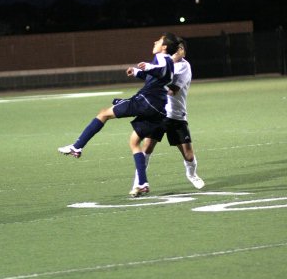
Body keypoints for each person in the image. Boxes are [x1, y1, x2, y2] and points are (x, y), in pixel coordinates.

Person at [58, 32, 178, 196]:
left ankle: (77, 147)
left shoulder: (162, 58)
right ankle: (142, 183)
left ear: (164, 47)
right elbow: (157, 76)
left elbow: (160, 71)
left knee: (103, 113)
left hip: (145, 102)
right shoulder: (169, 61)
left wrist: (148, 67)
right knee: (134, 142)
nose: (155, 42)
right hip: (158, 108)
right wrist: (137, 72)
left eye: (159, 40)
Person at [130, 37, 204, 197]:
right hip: (158, 113)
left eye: (180, 49)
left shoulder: (184, 66)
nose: (178, 51)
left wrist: (156, 85)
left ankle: (192, 174)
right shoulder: (163, 62)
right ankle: (138, 183)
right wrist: (137, 72)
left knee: (188, 154)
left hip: (176, 116)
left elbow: (173, 89)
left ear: (183, 51)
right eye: (176, 48)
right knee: (146, 148)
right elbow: (152, 77)